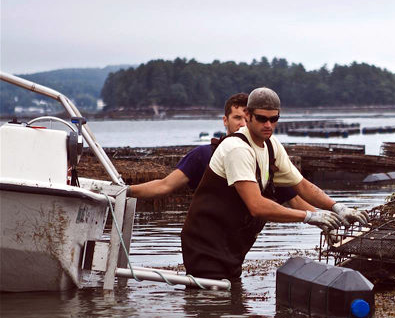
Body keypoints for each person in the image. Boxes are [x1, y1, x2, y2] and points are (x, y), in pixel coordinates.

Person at [180, 87, 368, 282]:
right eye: (262, 118)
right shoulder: (237, 148)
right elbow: (257, 206)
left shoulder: (271, 145)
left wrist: (338, 207)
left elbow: (301, 185)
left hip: (233, 245)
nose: (268, 124)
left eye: (274, 119)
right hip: (205, 243)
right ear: (248, 115)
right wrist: (309, 217)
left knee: (232, 302)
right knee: (211, 301)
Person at [129, 93, 310, 210]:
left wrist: (325, 220)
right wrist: (126, 191)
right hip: (208, 237)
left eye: (245, 118)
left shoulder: (266, 156)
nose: (242, 124)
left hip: (238, 241)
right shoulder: (202, 156)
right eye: (236, 118)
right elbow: (164, 186)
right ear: (225, 120)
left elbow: (294, 199)